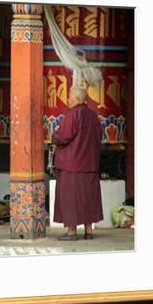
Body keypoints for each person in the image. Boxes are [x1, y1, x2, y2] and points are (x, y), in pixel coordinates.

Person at [52, 85, 103, 241]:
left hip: (72, 166)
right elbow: (99, 138)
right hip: (90, 165)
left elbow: (63, 136)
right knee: (88, 198)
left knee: (71, 198)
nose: (68, 99)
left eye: (70, 96)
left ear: (78, 99)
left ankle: (72, 232)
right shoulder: (94, 116)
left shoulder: (73, 114)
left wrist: (56, 133)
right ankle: (89, 231)